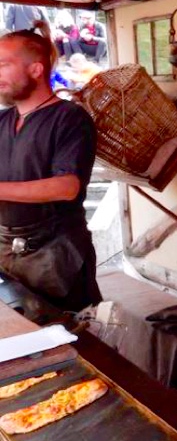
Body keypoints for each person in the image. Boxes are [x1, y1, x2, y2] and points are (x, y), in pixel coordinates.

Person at [0, 21, 102, 313]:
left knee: (71, 337)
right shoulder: (3, 121)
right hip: (8, 252)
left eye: (4, 64)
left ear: (36, 69)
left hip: (57, 257)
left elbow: (66, 187)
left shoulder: (70, 118)